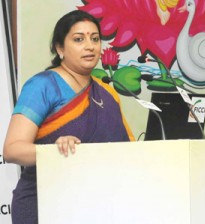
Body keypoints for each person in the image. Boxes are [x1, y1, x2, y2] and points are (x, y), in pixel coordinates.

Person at [3, 10, 135, 224]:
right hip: (44, 206)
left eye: (95, 39)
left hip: (100, 207)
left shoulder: (108, 93)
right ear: (60, 48)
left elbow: (128, 150)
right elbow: (12, 149)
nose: (90, 46)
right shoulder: (43, 86)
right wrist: (55, 151)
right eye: (78, 39)